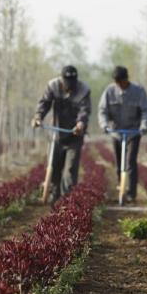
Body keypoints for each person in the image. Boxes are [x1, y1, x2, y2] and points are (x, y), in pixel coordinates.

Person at [32, 65, 91, 203]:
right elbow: (44, 103)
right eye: (67, 82)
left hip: (74, 135)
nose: (69, 85)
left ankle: (67, 200)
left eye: (72, 82)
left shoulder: (83, 90)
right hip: (56, 133)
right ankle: (54, 194)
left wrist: (80, 123)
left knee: (69, 170)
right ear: (62, 79)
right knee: (53, 166)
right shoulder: (53, 86)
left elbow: (84, 110)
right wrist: (38, 117)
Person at [98, 66, 147, 202]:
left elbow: (146, 110)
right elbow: (102, 110)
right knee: (119, 163)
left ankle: (131, 193)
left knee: (130, 162)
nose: (119, 85)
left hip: (133, 132)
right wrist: (104, 125)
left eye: (121, 82)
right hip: (116, 132)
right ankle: (121, 185)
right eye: (116, 82)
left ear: (126, 79)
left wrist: (144, 126)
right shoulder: (109, 91)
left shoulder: (138, 91)